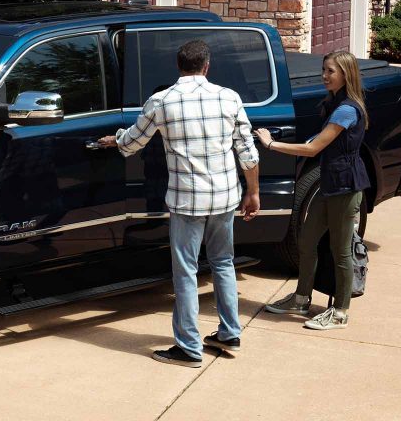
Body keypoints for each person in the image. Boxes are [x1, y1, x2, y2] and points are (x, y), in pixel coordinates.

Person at [97, 40, 261, 368]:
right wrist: (253, 192)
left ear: (178, 66)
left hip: (187, 201)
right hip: (225, 196)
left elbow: (132, 143)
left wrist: (114, 139)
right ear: (206, 66)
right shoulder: (229, 98)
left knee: (185, 272)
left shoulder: (162, 101)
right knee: (223, 263)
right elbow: (248, 152)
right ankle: (230, 332)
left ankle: (188, 348)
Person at [255, 51, 371, 331]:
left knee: (341, 251)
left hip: (345, 187)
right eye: (323, 69)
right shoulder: (335, 103)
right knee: (307, 242)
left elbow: (313, 149)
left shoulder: (346, 109)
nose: (324, 75)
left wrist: (271, 145)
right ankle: (301, 297)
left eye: (330, 71)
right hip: (330, 184)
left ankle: (340, 312)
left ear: (345, 74)